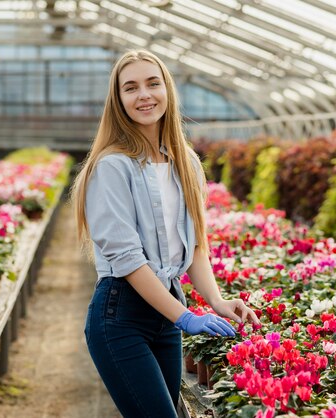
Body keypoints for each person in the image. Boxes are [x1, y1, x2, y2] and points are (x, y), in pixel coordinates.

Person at [71, 49, 259, 418]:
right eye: (131, 88)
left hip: (168, 312)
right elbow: (126, 259)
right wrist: (185, 318)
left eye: (152, 83)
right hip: (120, 315)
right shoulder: (112, 166)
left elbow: (195, 244)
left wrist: (217, 302)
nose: (144, 95)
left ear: (168, 90)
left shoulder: (184, 161)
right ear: (118, 100)